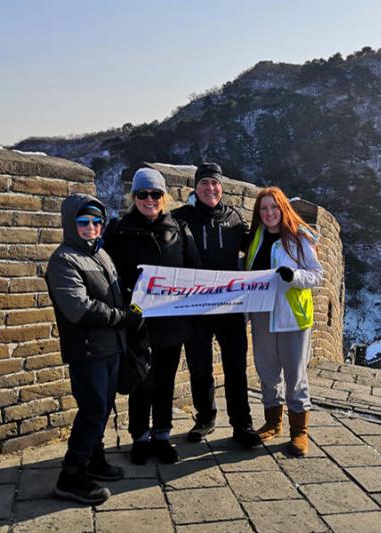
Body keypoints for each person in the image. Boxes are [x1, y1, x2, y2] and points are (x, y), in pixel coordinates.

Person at [103, 168, 201, 465]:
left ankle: (162, 434)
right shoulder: (119, 230)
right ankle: (140, 438)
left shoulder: (178, 228)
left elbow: (194, 270)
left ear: (164, 197)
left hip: (171, 321)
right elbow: (110, 275)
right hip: (138, 321)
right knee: (141, 380)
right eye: (143, 194)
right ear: (134, 197)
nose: (149, 199)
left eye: (155, 194)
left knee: (165, 381)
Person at [45, 194, 139, 505]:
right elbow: (79, 308)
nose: (91, 227)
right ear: (71, 224)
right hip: (86, 350)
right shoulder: (64, 260)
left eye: (97, 221)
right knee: (92, 410)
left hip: (110, 348)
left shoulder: (101, 255)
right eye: (83, 221)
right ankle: (70, 475)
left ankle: (94, 459)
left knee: (103, 406)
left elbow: (114, 294)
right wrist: (121, 317)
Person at [172, 162, 261, 448]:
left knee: (235, 367)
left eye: (214, 183)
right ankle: (205, 418)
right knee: (200, 367)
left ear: (221, 187)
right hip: (195, 307)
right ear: (195, 188)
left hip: (229, 306)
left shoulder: (234, 218)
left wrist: (293, 239)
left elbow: (256, 246)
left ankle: (242, 424)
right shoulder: (180, 218)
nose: (210, 188)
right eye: (204, 183)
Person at [245, 187, 323, 457]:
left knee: (294, 374)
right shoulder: (256, 238)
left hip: (293, 315)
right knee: (266, 370)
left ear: (282, 208)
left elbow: (316, 275)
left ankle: (299, 432)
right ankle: (272, 421)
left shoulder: (298, 238)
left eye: (273, 208)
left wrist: (294, 277)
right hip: (262, 314)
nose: (269, 214)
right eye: (263, 209)